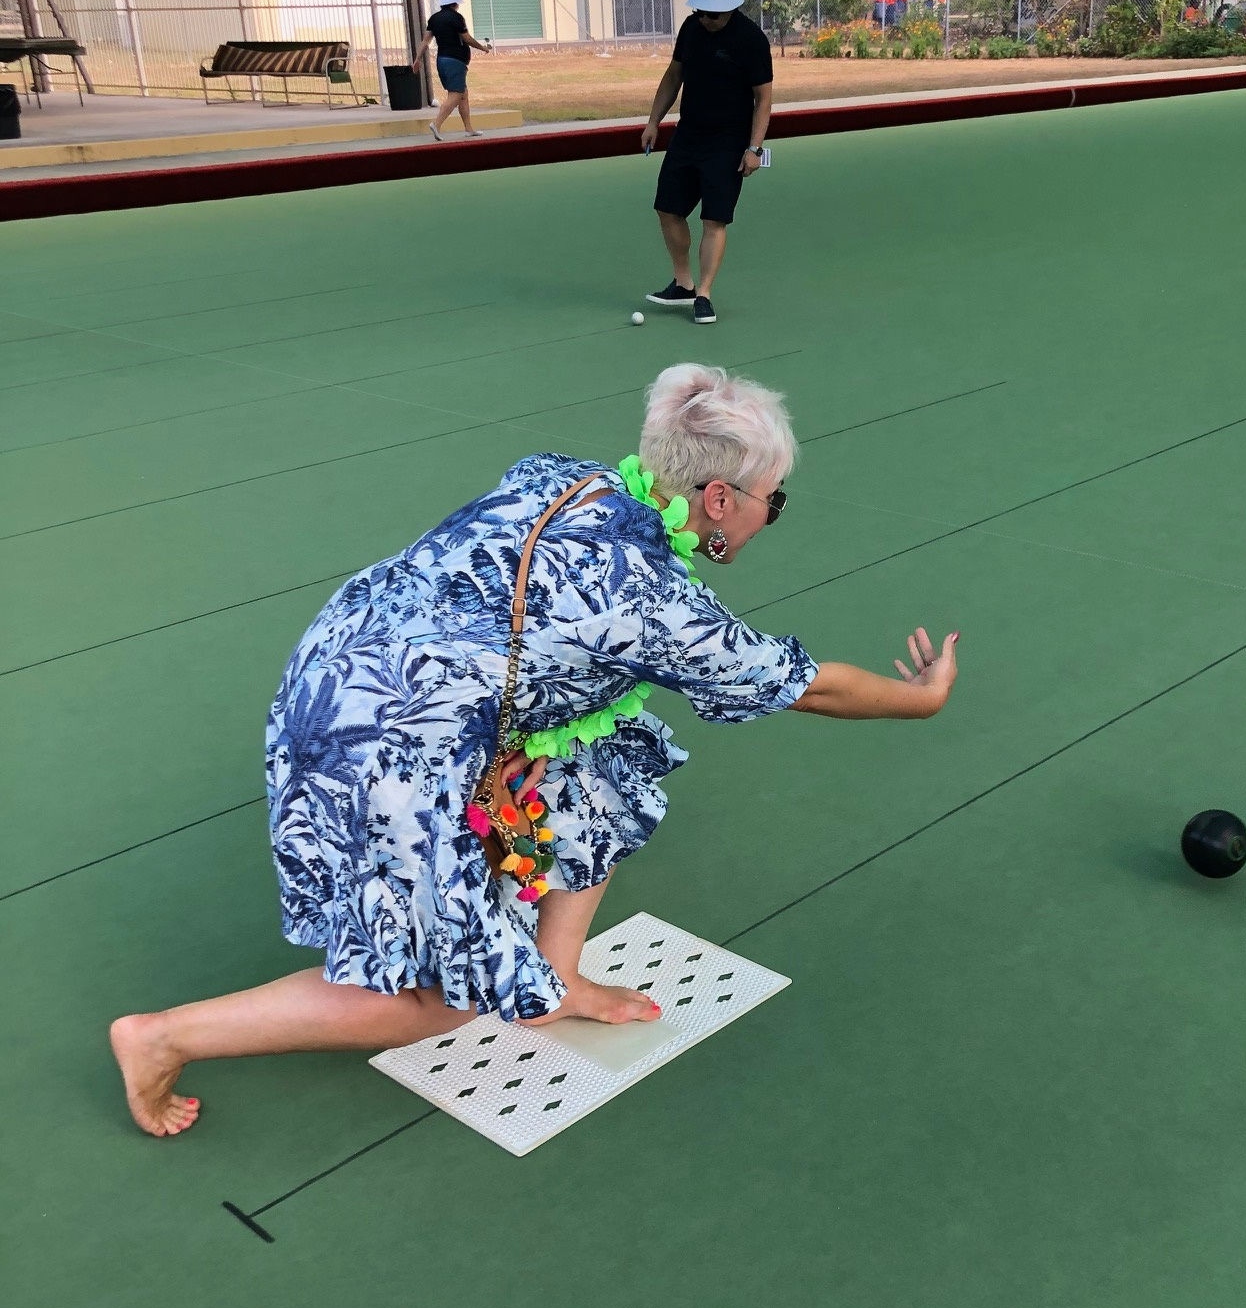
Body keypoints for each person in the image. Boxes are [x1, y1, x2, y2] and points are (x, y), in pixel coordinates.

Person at [111, 364, 961, 1137]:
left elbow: (511, 615)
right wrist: (920, 701)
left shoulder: (563, 476)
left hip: (344, 661)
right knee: (441, 998)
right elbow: (807, 684)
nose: (773, 513)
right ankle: (163, 1036)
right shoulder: (655, 607)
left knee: (603, 755)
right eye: (774, 498)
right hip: (390, 742)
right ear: (716, 499)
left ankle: (554, 980)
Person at [641, 0, 774, 326]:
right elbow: (673, 76)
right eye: (700, 11)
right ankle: (683, 283)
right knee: (667, 209)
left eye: (712, 13)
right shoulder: (690, 29)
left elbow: (763, 99)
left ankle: (704, 294)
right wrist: (654, 121)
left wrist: (755, 149)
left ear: (729, 7)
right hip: (688, 136)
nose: (705, 19)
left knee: (714, 219)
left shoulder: (751, 39)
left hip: (729, 143)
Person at [413, 0, 491, 141]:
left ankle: (469, 128)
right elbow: (466, 38)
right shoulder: (457, 18)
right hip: (455, 61)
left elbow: (425, 41)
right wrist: (483, 48)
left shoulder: (434, 19)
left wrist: (417, 59)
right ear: (455, 3)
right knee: (456, 95)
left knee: (463, 94)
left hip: (442, 60)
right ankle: (436, 124)